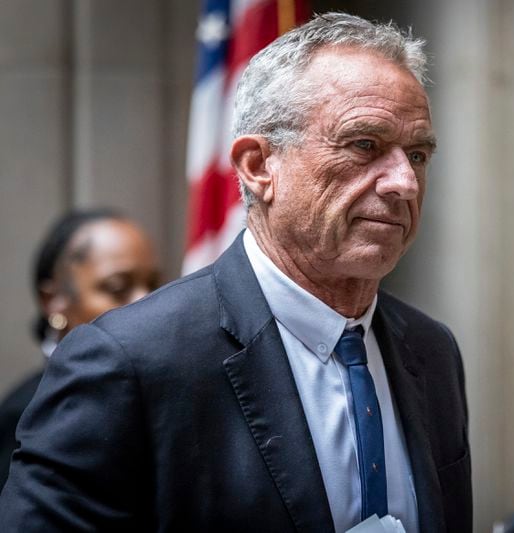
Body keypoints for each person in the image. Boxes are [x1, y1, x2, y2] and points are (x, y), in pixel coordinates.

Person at [0, 13, 471, 533]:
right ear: (257, 165)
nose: (404, 182)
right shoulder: (128, 362)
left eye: (419, 154)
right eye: (364, 145)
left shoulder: (432, 352)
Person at [0, 208, 159, 488]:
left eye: (153, 285)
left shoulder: (171, 390)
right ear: (54, 300)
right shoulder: (24, 415)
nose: (146, 302)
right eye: (118, 287)